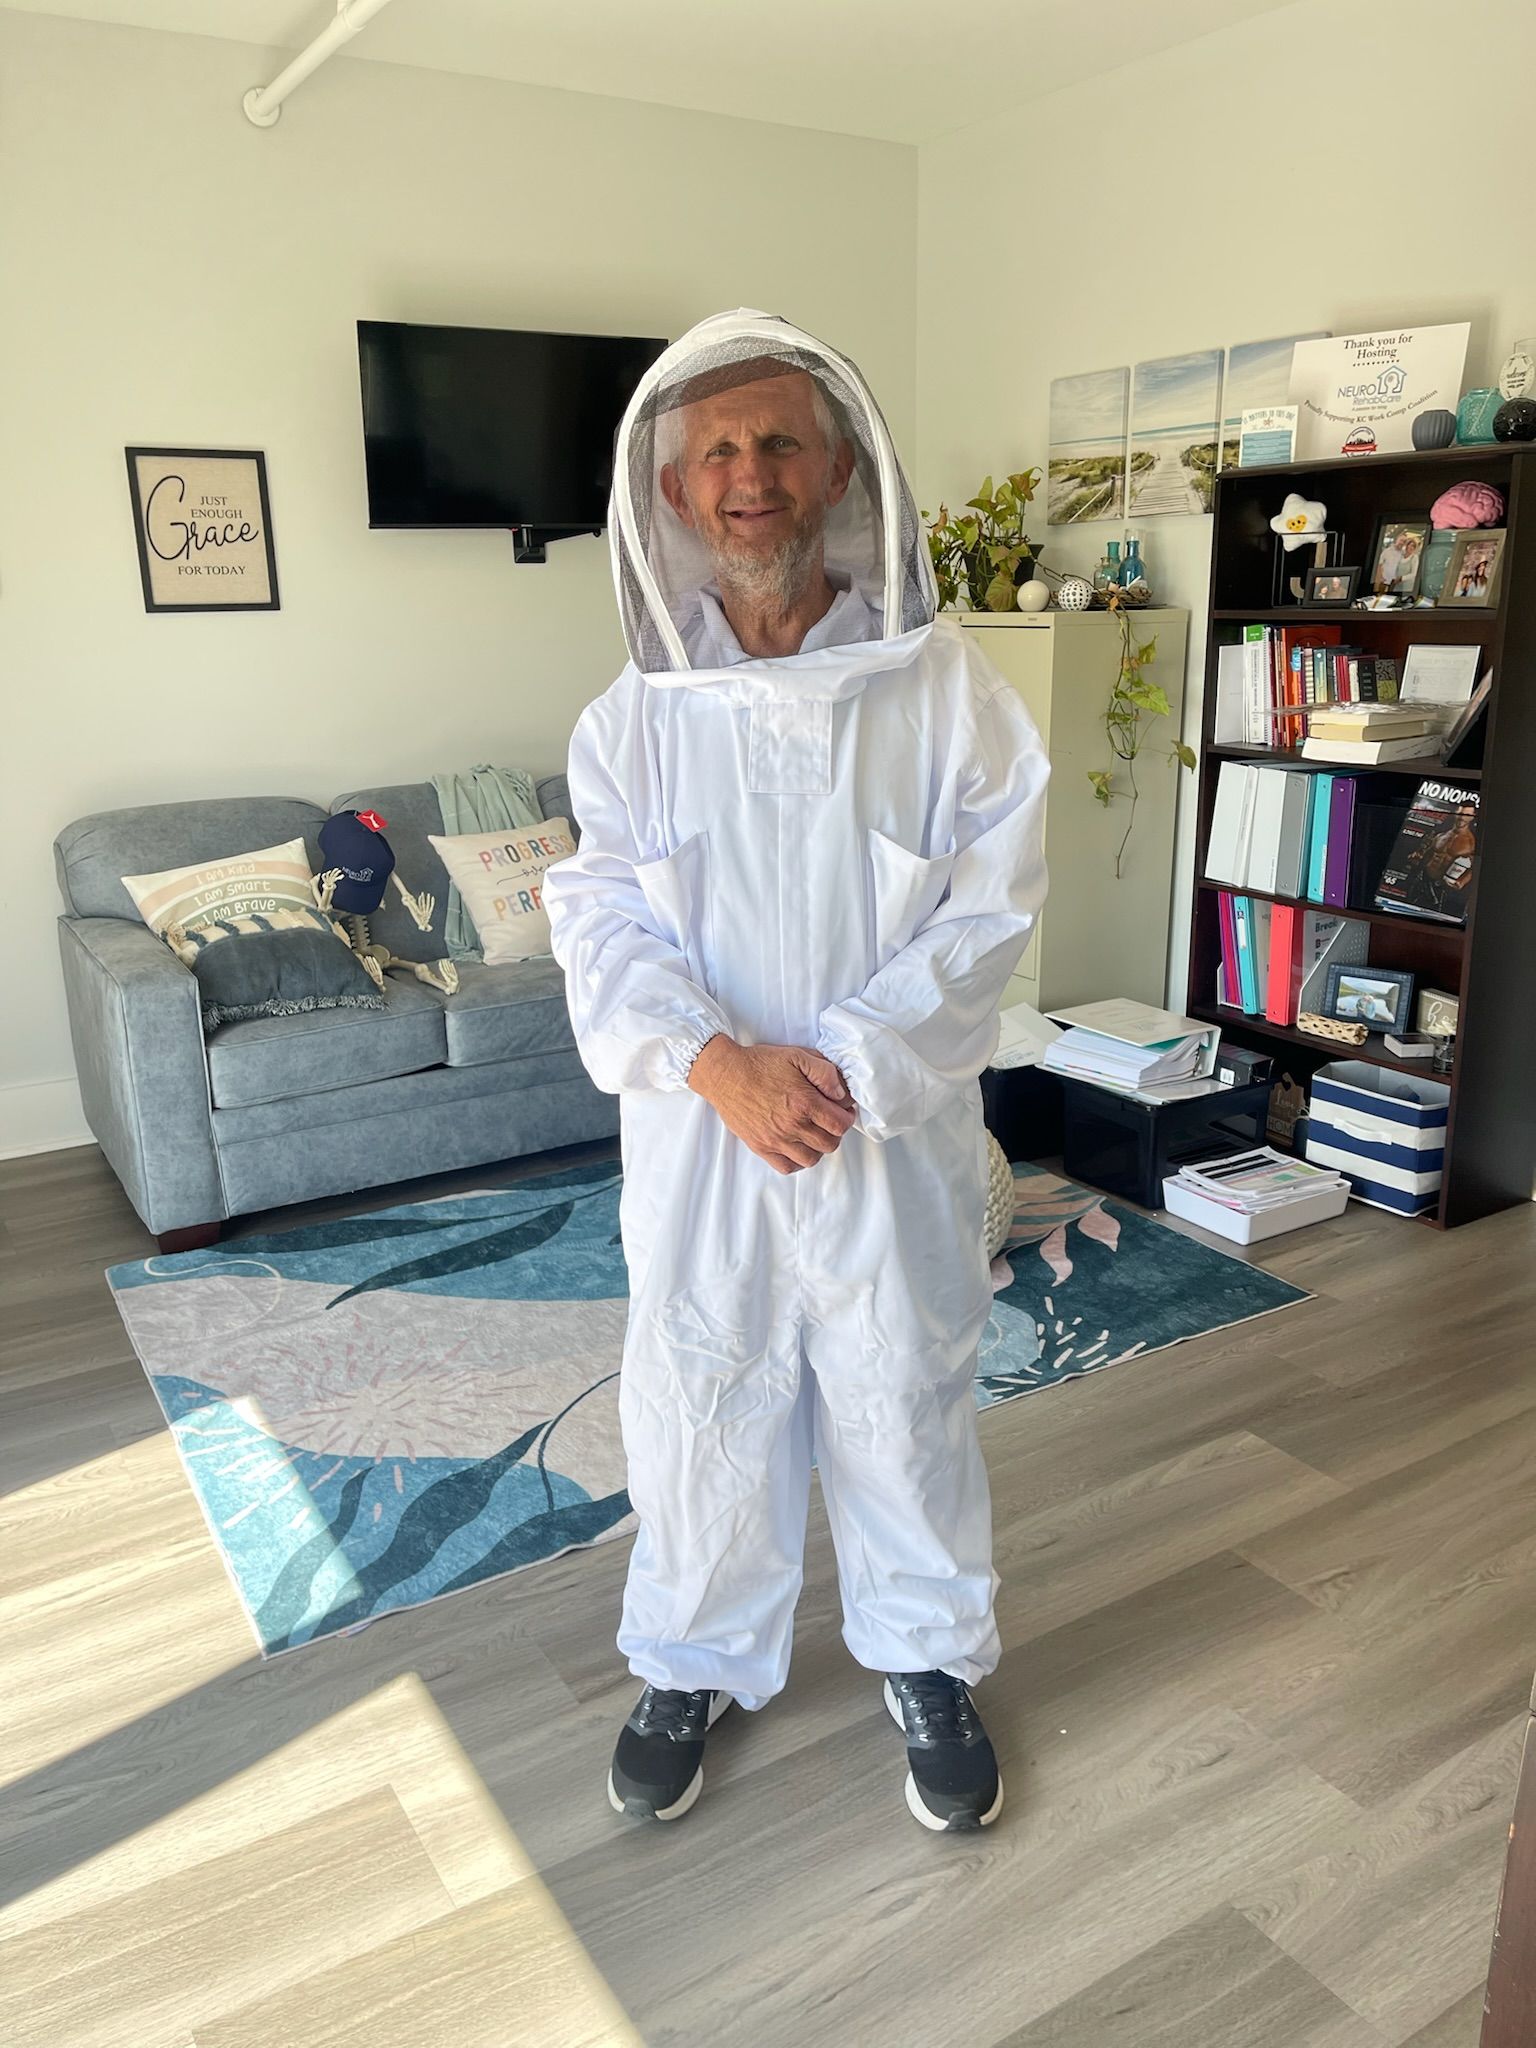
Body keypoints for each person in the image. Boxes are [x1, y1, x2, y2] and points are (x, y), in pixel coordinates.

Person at [540, 309, 1050, 1834]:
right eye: (718, 453)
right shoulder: (629, 723)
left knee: (903, 1389)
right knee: (700, 1382)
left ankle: (926, 1656)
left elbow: (993, 906)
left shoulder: (948, 692)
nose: (748, 476)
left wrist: (830, 1065)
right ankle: (690, 1655)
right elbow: (602, 919)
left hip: (884, 1132)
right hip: (705, 1140)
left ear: (836, 469)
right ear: (677, 493)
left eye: (776, 443)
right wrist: (718, 1065)